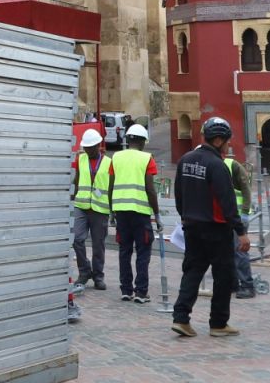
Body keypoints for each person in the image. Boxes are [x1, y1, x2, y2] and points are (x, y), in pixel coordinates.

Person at [171, 116, 248, 338]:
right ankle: (218, 323)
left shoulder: (185, 160)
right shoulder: (218, 165)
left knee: (192, 272)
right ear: (217, 141)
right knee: (223, 276)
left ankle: (181, 318)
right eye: (227, 141)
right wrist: (241, 232)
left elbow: (178, 195)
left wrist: (185, 216)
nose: (229, 144)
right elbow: (227, 202)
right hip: (216, 228)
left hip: (191, 226)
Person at [107, 123, 162, 303]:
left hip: (121, 212)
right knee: (143, 251)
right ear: (142, 141)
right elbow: (150, 190)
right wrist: (157, 214)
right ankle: (141, 292)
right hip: (140, 213)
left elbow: (110, 187)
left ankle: (126, 290)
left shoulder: (116, 157)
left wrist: (112, 213)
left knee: (124, 251)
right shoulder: (147, 158)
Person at [71, 128, 111, 290]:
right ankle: (84, 271)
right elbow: (76, 180)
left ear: (97, 146)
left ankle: (98, 276)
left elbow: (112, 185)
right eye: (85, 148)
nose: (88, 150)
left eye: (90, 147)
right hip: (81, 205)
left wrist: (113, 210)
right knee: (77, 239)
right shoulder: (81, 159)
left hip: (100, 209)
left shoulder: (108, 162)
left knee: (98, 244)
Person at [225, 145, 257, 299]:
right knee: (227, 252)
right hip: (224, 217)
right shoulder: (213, 166)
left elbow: (246, 190)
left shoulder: (233, 166)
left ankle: (247, 285)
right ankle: (232, 283)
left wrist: (244, 213)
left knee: (240, 251)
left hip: (238, 216)